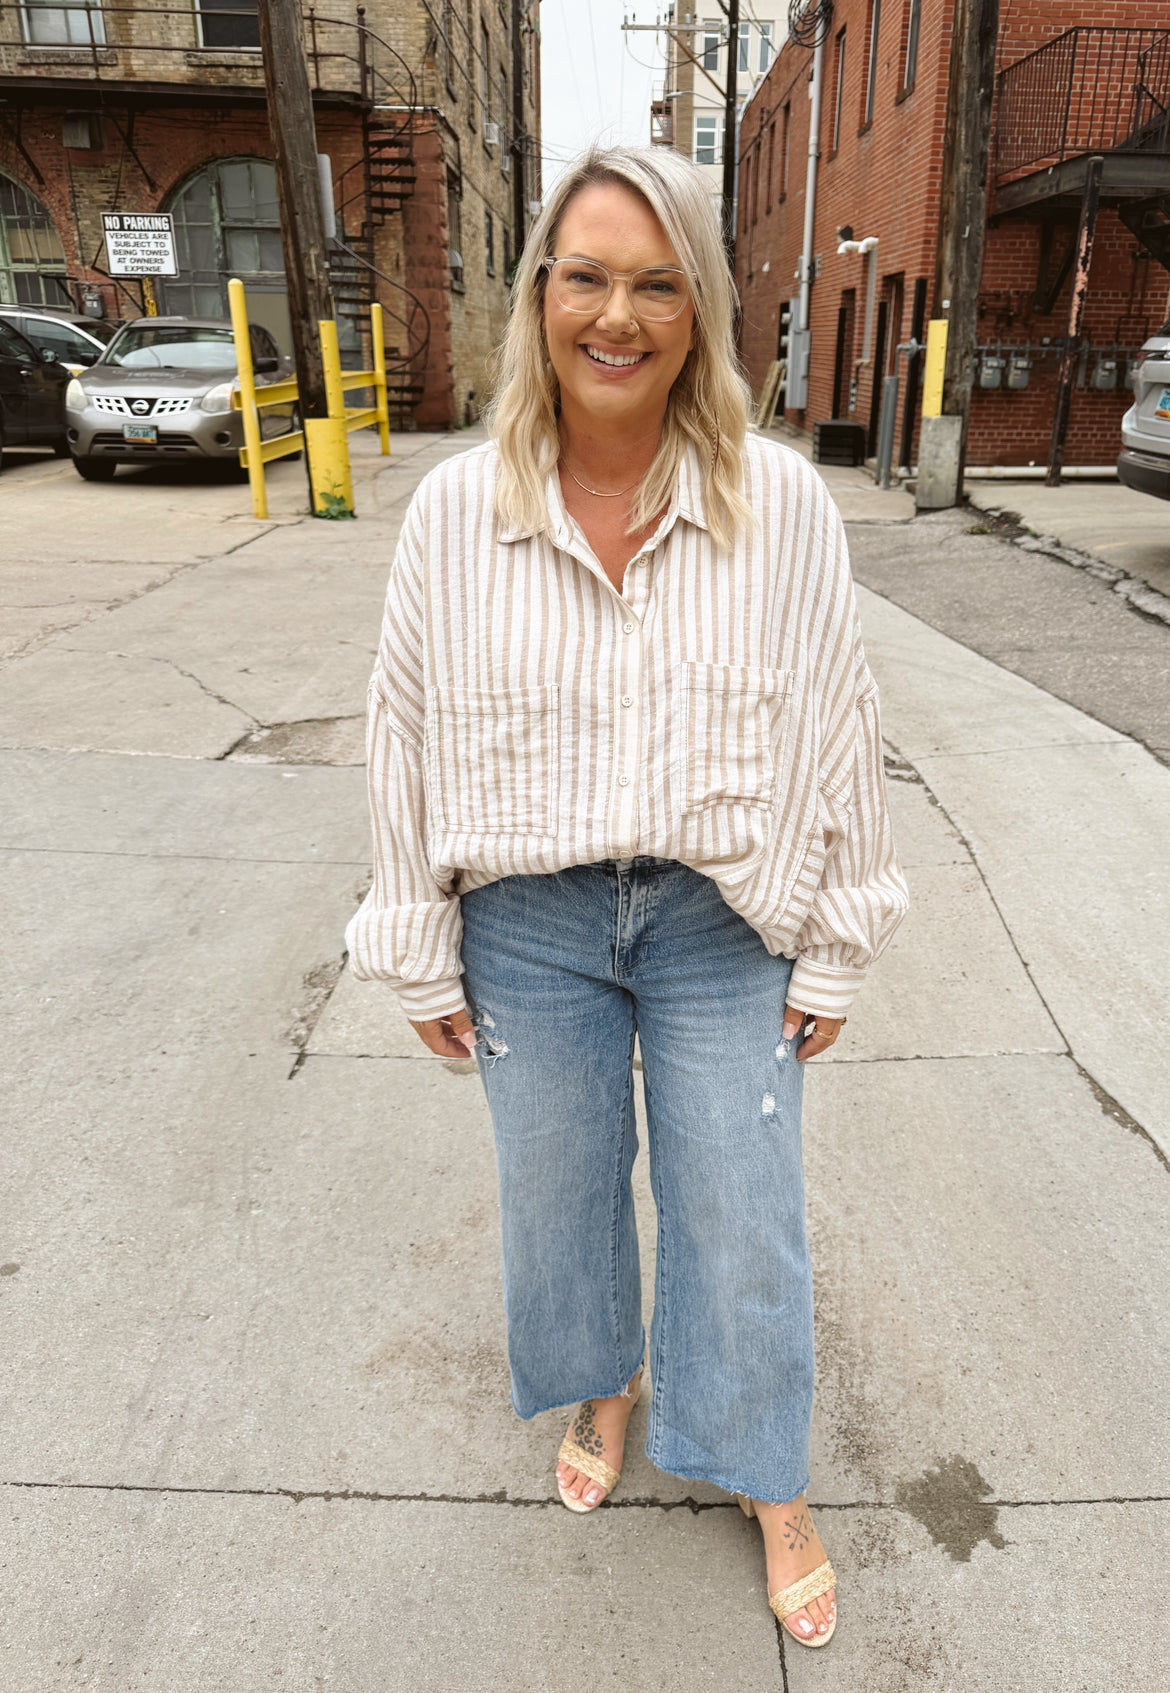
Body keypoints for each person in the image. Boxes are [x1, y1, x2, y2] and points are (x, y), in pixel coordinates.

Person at [346, 145, 908, 1649]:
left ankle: (767, 1470)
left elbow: (836, 723)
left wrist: (837, 940)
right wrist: (415, 946)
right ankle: (609, 1380)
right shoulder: (457, 515)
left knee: (744, 1211)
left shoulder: (778, 507)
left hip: (723, 919)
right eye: (585, 276)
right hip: (523, 923)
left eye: (658, 283)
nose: (619, 314)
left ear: (701, 309)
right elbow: (399, 726)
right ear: (539, 296)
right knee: (559, 1197)